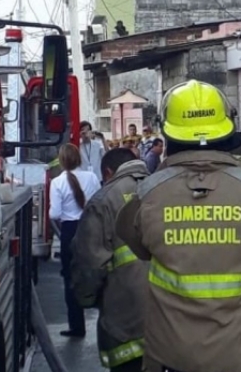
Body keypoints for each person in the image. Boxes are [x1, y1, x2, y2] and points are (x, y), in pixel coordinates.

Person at [114, 80, 241, 372]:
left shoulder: (148, 195)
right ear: (228, 130)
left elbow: (135, 243)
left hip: (169, 359)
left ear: (168, 133)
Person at [70, 149, 150, 371]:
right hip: (172, 329)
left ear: (108, 172)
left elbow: (89, 264)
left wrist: (86, 299)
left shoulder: (103, 201)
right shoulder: (166, 191)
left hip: (125, 326)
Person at [48, 143, 101, 337]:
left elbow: (54, 213)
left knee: (70, 280)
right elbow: (98, 204)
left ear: (61, 161)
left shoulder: (57, 182)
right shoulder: (92, 177)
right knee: (96, 274)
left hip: (69, 231)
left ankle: (77, 326)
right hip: (90, 229)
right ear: (79, 158)